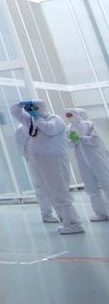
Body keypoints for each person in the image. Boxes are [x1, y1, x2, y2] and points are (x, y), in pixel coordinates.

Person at [10, 100, 83, 234]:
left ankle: (74, 223)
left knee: (59, 191)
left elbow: (50, 130)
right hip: (39, 160)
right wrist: (20, 104)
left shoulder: (55, 119)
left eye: (35, 107)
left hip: (54, 159)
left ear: (42, 108)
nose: (33, 110)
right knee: (50, 191)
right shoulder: (30, 121)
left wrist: (37, 118)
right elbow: (15, 111)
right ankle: (65, 220)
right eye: (30, 108)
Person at [65, 107, 109, 222]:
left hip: (97, 158)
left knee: (106, 183)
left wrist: (82, 138)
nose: (70, 118)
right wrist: (73, 140)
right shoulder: (70, 128)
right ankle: (101, 213)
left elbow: (96, 140)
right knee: (91, 187)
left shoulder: (90, 124)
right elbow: (69, 143)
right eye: (68, 116)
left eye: (71, 114)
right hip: (82, 160)